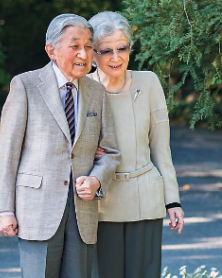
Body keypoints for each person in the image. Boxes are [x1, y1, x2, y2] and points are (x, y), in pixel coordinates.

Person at [0, 13, 121, 278]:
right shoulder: (25, 85)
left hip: (81, 213)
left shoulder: (96, 92)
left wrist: (96, 180)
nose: (84, 54)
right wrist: (4, 210)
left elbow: (111, 152)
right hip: (36, 209)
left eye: (88, 46)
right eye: (75, 46)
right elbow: (8, 152)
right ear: (52, 50)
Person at [88, 11, 185, 278]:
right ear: (93, 53)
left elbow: (162, 150)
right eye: (106, 51)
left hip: (145, 200)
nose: (116, 57)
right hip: (100, 203)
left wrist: (172, 201)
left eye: (122, 48)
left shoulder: (149, 82)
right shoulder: (82, 88)